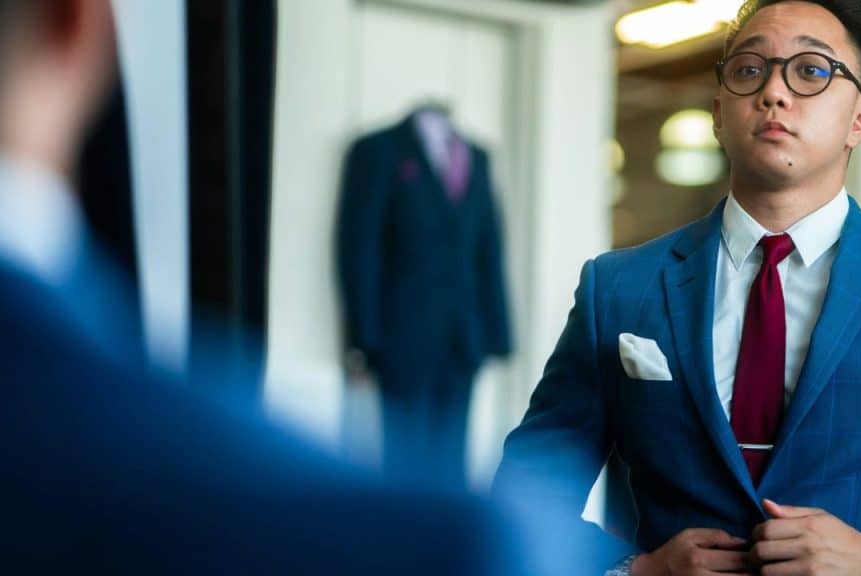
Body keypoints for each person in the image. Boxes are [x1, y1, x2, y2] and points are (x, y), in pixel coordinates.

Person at [0, 0, 523, 572]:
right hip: (402, 335)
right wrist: (365, 338)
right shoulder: (409, 539)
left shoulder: (476, 157)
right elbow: (359, 248)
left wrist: (497, 332)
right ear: (76, 21)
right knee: (406, 451)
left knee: (451, 451)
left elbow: (486, 250)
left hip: (462, 339)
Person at [493, 1, 861, 575]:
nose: (774, 92)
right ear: (718, 112)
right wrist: (635, 568)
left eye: (811, 71)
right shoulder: (619, 287)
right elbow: (524, 498)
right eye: (750, 70)